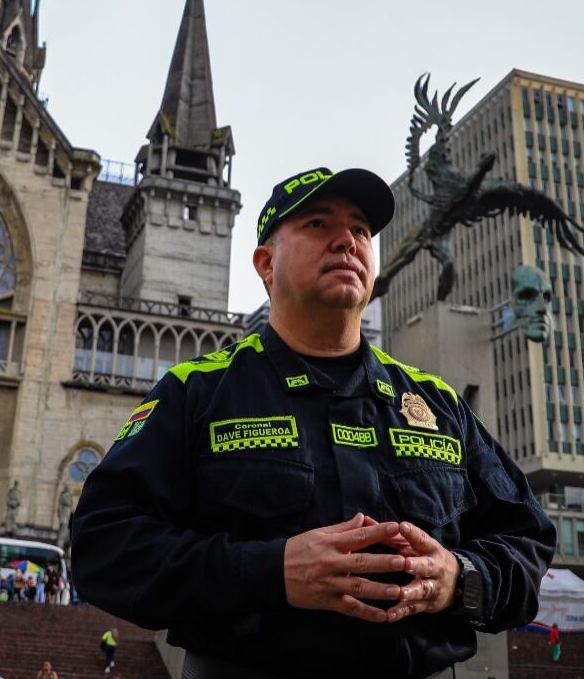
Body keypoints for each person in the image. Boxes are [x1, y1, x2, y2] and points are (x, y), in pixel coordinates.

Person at [72, 166, 557, 678]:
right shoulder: (196, 392)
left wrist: (459, 578)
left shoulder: (437, 404)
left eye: (360, 230)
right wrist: (272, 571)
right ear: (266, 263)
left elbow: (528, 541)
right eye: (318, 224)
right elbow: (103, 545)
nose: (347, 240)